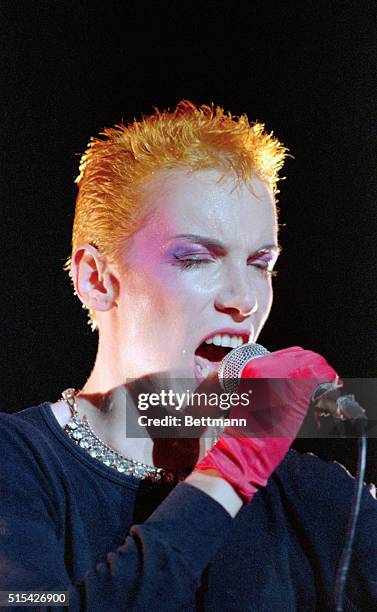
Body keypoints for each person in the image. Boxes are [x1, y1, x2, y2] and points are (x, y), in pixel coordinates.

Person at [0, 101, 376, 611]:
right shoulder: (18, 465)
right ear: (96, 278)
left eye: (261, 263)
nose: (243, 298)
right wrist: (228, 477)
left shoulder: (315, 495)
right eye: (197, 258)